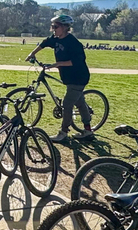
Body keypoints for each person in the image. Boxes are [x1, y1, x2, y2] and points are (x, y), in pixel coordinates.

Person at [26, 14, 93, 142]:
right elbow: (45, 43)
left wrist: (57, 64)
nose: (53, 29)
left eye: (55, 26)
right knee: (80, 103)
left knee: (67, 104)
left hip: (78, 77)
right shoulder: (56, 39)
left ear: (65, 27)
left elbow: (77, 61)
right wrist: (32, 53)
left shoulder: (73, 43)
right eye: (52, 26)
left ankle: (63, 133)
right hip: (68, 78)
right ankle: (88, 130)